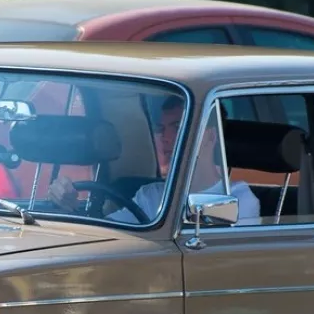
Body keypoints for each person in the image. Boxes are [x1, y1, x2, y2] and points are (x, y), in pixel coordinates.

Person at [47, 96, 260, 224]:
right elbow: (110, 232)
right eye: (162, 129)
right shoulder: (152, 194)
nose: (166, 138)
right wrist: (72, 205)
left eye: (178, 127)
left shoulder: (240, 198)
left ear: (210, 136)